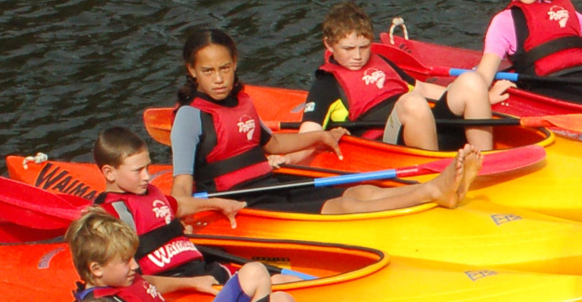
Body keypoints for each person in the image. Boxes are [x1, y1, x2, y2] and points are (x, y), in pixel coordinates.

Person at [170, 28, 476, 213]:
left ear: (235, 63)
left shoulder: (243, 101)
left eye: (225, 68)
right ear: (192, 70)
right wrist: (213, 205)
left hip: (270, 183)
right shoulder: (189, 118)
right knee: (343, 206)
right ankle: (432, 191)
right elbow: (180, 195)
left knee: (360, 189)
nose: (219, 79)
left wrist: (319, 137)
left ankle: (436, 186)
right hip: (241, 200)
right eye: (208, 72)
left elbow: (273, 143)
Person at [67, 211, 288, 302]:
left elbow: (148, 283)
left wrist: (192, 282)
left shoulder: (123, 277)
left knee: (255, 271)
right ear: (96, 269)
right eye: (126, 261)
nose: (135, 265)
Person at [302, 2, 497, 152]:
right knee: (412, 103)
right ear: (329, 45)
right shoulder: (325, 85)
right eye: (348, 49)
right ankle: (435, 180)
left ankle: (486, 161)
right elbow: (309, 132)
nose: (358, 56)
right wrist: (283, 156)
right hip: (391, 146)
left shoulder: (383, 61)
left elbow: (424, 88)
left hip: (423, 128)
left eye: (364, 47)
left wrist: (483, 98)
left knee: (471, 80)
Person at [90, 125, 257, 285]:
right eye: (138, 170)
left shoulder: (149, 192)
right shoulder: (108, 215)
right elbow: (127, 278)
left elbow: (179, 205)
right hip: (173, 282)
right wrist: (192, 284)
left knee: (260, 273)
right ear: (109, 173)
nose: (147, 176)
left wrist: (218, 204)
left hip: (198, 268)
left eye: (148, 167)